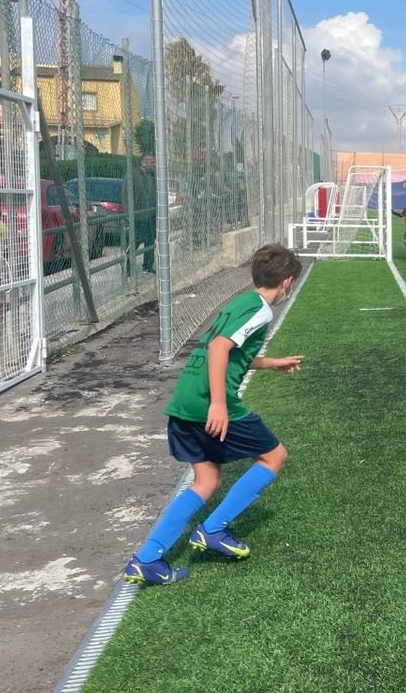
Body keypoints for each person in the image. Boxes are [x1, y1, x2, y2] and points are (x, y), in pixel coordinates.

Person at [122, 244, 304, 586]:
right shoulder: (261, 310)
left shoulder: (239, 302)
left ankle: (146, 559)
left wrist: (271, 363)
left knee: (206, 481)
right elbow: (220, 348)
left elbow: (228, 350)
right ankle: (214, 529)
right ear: (288, 282)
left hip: (184, 400)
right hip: (208, 401)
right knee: (274, 456)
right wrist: (219, 403)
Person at [131, 154, 157, 273]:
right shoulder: (133, 176)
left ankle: (148, 265)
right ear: (143, 163)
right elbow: (127, 196)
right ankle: (127, 266)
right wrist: (129, 215)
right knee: (135, 242)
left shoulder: (151, 176)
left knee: (150, 240)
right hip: (138, 216)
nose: (154, 165)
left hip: (150, 215)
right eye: (151, 162)